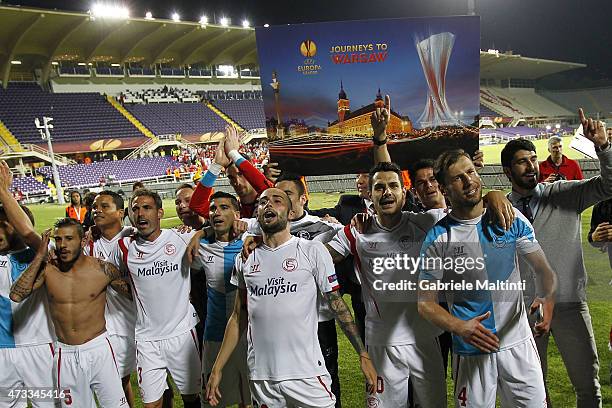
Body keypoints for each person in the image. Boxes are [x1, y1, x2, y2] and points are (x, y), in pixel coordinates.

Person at [205, 188, 377, 407]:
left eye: (277, 201)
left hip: (306, 372)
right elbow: (238, 316)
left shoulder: (312, 250)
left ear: (289, 212)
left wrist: (363, 354)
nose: (268, 205)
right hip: (262, 377)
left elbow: (337, 304)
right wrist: (217, 369)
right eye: (263, 202)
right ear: (257, 213)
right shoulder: (246, 258)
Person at [418, 150, 557, 408]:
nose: (469, 181)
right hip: (472, 349)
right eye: (458, 178)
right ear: (445, 189)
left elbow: (544, 271)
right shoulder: (438, 238)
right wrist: (459, 327)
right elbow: (425, 304)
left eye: (470, 172)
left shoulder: (509, 218)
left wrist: (546, 298)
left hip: (517, 343)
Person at [501, 108, 611, 407]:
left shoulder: (563, 194)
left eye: (533, 159)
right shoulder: (500, 211)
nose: (531, 166)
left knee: (588, 385)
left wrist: (602, 148)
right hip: (524, 310)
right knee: (533, 389)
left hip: (568, 303)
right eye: (522, 162)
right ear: (508, 172)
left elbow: (608, 185)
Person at [10, 218, 130, 408]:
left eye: (69, 239)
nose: (62, 245)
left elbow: (138, 294)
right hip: (65, 354)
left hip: (99, 350)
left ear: (83, 241)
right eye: (58, 239)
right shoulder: (48, 270)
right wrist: (40, 255)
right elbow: (16, 295)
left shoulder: (103, 269)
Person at [108, 189, 201, 408]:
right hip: (147, 339)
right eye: (136, 208)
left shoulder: (180, 237)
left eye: (147, 208)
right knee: (151, 404)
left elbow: (213, 231)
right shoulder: (123, 246)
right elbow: (108, 272)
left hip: (182, 333)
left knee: (192, 398)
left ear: (159, 212)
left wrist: (201, 233)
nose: (140, 213)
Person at [0, 161, 56, 408]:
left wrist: (3, 191)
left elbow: (28, 232)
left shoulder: (43, 255)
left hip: (41, 348)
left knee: (51, 405)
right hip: (2, 353)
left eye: (4, 224)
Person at [191, 191, 251, 407]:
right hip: (215, 334)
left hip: (247, 337)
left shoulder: (251, 242)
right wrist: (199, 234)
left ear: (237, 214)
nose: (217, 212)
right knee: (212, 400)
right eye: (213, 208)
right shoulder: (200, 246)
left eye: (224, 207)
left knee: (249, 399)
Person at [85, 191, 137, 407]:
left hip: (140, 324)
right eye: (95, 207)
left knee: (158, 385)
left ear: (120, 213)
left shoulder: (134, 238)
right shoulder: (88, 245)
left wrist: (105, 273)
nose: (97, 210)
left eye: (104, 206)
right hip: (109, 327)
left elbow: (139, 289)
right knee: (118, 382)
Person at [190, 127, 274, 219]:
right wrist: (216, 166)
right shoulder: (232, 210)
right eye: (231, 177)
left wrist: (233, 153)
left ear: (248, 171)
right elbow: (197, 206)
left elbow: (269, 190)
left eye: (241, 173)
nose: (237, 182)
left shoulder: (270, 200)